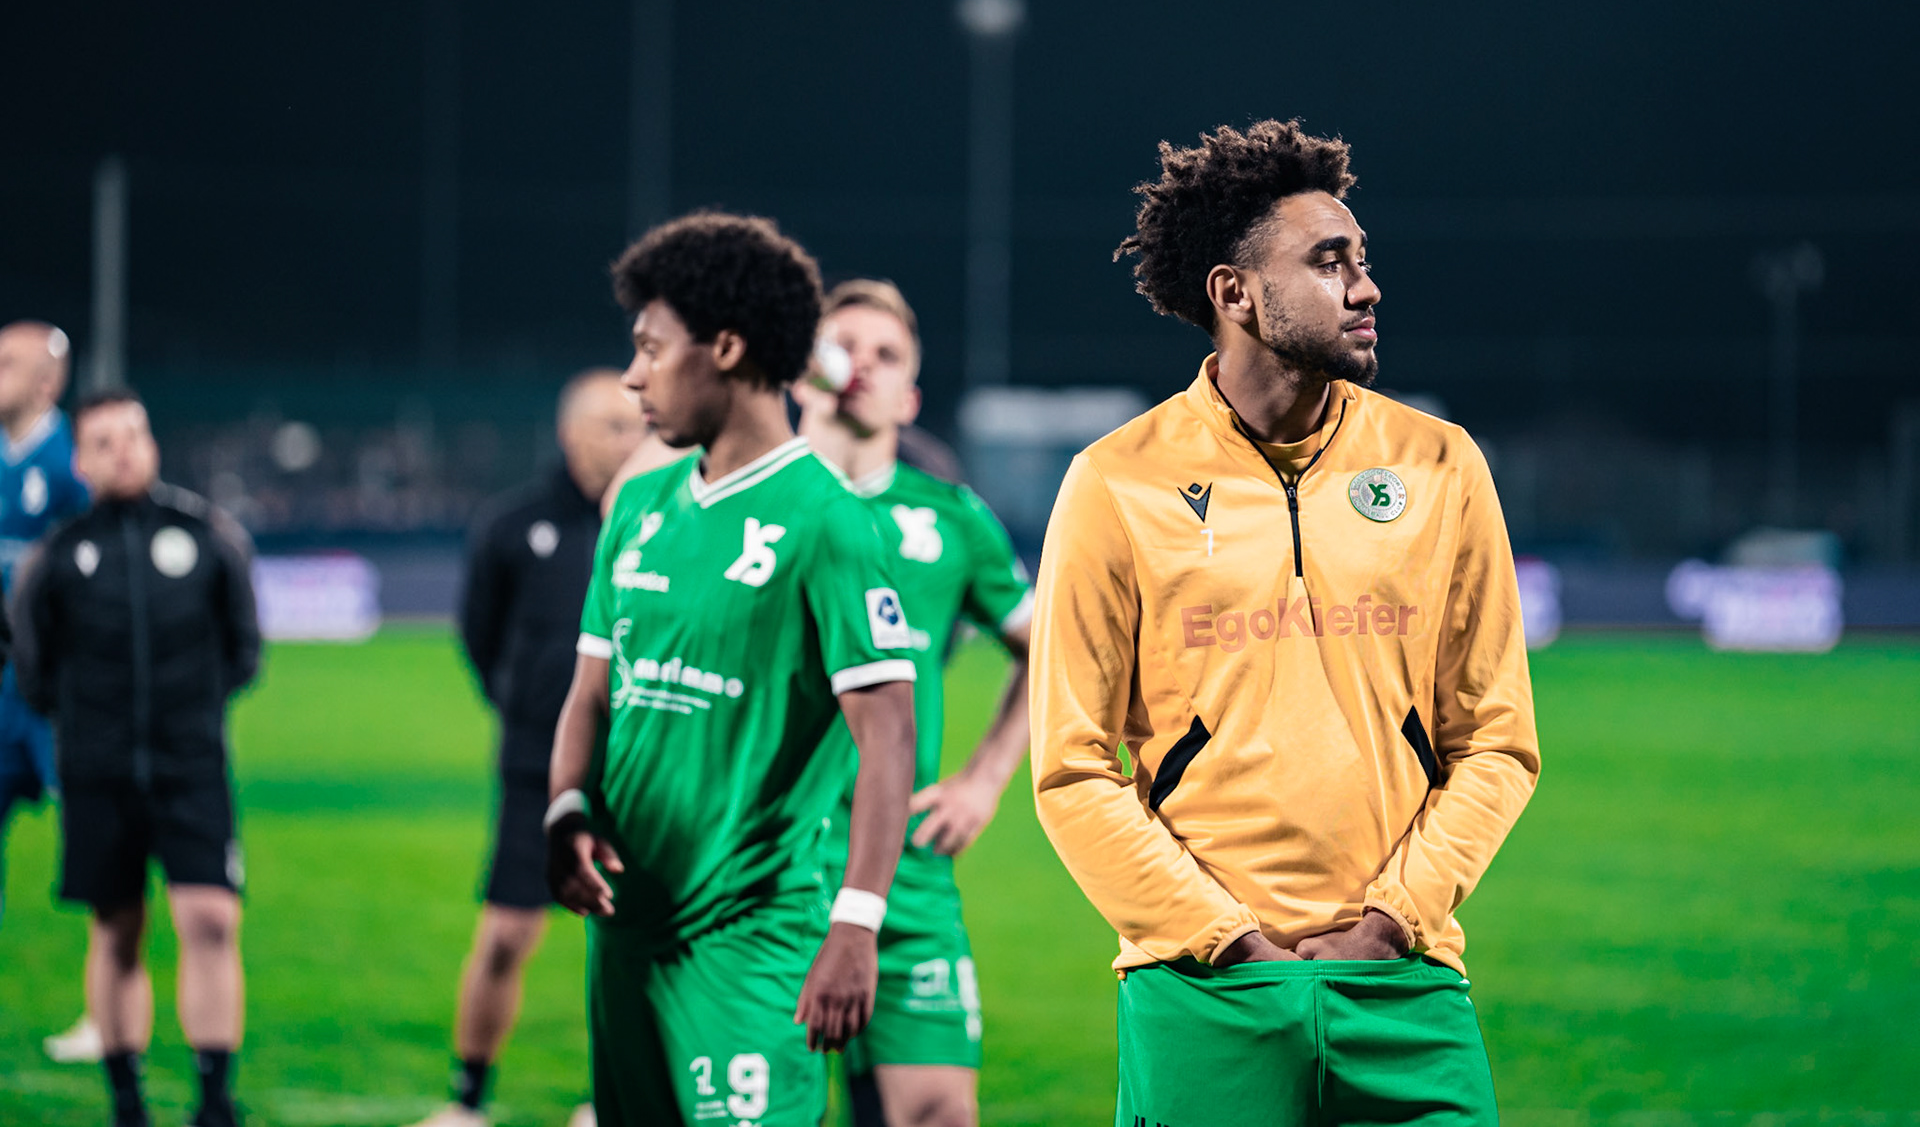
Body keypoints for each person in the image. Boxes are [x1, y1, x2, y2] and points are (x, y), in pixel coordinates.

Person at [1029, 120, 1541, 1125]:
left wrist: (1394, 919)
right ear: (1235, 292)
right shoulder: (1115, 482)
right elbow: (1072, 764)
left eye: (1364, 260)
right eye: (1329, 261)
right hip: (1203, 988)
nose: (1366, 287)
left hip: (1406, 984)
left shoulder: (1442, 464)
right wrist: (1220, 935)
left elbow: (1497, 739)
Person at [544, 212, 919, 1127]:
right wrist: (564, 808)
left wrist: (858, 921)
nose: (631, 377)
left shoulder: (828, 521)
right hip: (625, 930)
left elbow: (889, 733)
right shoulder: (638, 501)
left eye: (650, 349)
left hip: (752, 940)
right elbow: (593, 689)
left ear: (726, 346)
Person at [794, 280, 1032, 1127]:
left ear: (910, 396)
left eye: (885, 354)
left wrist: (984, 779)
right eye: (841, 345)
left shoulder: (952, 522)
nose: (862, 364)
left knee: (938, 1115)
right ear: (799, 374)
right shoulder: (745, 501)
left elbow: (1052, 651)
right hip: (765, 874)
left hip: (907, 876)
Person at [10, 389, 261, 1127]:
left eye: (136, 434)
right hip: (98, 774)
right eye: (105, 442)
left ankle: (215, 1101)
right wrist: (94, 730)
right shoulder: (57, 557)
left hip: (192, 769)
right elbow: (33, 666)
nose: (125, 450)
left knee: (211, 920)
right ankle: (128, 1104)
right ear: (81, 461)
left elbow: (243, 651)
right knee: (116, 932)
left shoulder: (208, 535)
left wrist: (189, 719)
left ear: (152, 442)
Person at [406, 370, 646, 1127]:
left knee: (630, 944)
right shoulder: (513, 525)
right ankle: (467, 1101)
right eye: (614, 424)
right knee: (507, 935)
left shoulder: (658, 519)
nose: (633, 436)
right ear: (573, 433)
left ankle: (613, 1099)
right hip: (535, 768)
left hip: (638, 771)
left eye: (637, 422)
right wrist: (524, 709)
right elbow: (479, 637)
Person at [0, 321, 96, 1061]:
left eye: (7, 363)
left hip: (59, 697)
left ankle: (105, 1015)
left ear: (47, 381)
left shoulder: (75, 463)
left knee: (99, 853)